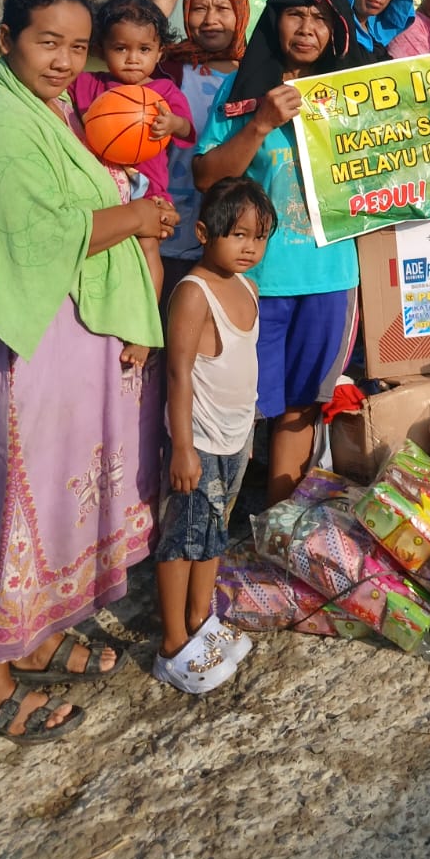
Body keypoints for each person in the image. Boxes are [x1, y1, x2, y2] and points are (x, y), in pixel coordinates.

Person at [0, 0, 174, 743]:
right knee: (8, 507)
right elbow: (35, 235)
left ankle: (36, 636)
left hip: (65, 336)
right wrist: (141, 219)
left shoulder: (50, 108)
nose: (63, 61)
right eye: (46, 42)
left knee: (54, 499)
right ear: (7, 36)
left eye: (76, 46)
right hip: (20, 345)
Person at [194, 0, 359, 504]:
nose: (307, 29)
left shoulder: (361, 94)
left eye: (321, 19)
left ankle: (275, 528)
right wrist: (260, 123)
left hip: (331, 277)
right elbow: (206, 177)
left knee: (300, 409)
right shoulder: (242, 91)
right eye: (296, 15)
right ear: (275, 22)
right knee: (240, 407)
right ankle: (211, 527)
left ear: (337, 31)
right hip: (256, 280)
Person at [154, 176, 275, 694]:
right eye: (238, 235)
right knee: (181, 539)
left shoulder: (247, 286)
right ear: (204, 232)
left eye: (259, 236)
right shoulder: (193, 293)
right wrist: (183, 448)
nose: (249, 246)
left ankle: (202, 620)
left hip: (236, 436)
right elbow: (178, 373)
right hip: (199, 440)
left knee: (214, 534)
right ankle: (172, 642)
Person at [70, 0, 196, 351]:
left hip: (148, 190)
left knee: (148, 252)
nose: (133, 58)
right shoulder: (88, 85)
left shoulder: (165, 91)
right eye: (121, 48)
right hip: (103, 192)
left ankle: (144, 330)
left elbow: (189, 131)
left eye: (144, 49)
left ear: (160, 54)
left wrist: (173, 122)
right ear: (101, 49)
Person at [159, 0, 250, 306]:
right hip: (166, 233)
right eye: (199, 8)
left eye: (223, 9)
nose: (211, 19)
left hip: (228, 239)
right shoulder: (168, 68)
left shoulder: (255, 72)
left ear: (240, 13)